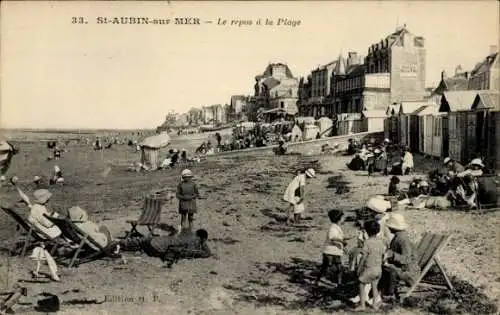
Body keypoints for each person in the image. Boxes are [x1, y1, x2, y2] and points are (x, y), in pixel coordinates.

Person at [119, 228, 212, 268]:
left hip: (155, 240)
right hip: (158, 249)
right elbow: (207, 253)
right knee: (140, 247)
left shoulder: (186, 234)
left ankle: (119, 243)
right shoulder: (194, 244)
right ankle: (119, 247)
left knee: (139, 242)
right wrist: (204, 243)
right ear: (202, 238)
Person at [379, 213, 420, 301]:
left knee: (387, 269)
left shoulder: (402, 239)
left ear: (393, 227)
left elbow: (407, 259)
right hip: (404, 268)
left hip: (408, 272)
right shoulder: (399, 237)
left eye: (389, 226)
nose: (388, 228)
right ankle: (383, 291)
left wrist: (392, 255)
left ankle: (388, 293)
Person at [354, 220, 385, 311]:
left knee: (361, 283)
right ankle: (375, 305)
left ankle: (362, 305)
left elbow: (364, 257)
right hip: (378, 269)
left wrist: (359, 268)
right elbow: (383, 254)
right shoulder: (380, 242)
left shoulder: (367, 243)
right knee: (374, 286)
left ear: (366, 231)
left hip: (369, 268)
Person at [315, 209, 346, 285]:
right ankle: (319, 279)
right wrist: (342, 241)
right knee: (327, 267)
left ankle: (339, 283)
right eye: (343, 217)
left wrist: (345, 238)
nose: (344, 219)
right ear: (339, 219)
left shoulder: (337, 227)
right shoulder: (333, 228)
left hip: (336, 251)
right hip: (329, 251)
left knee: (338, 267)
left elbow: (337, 237)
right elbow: (332, 237)